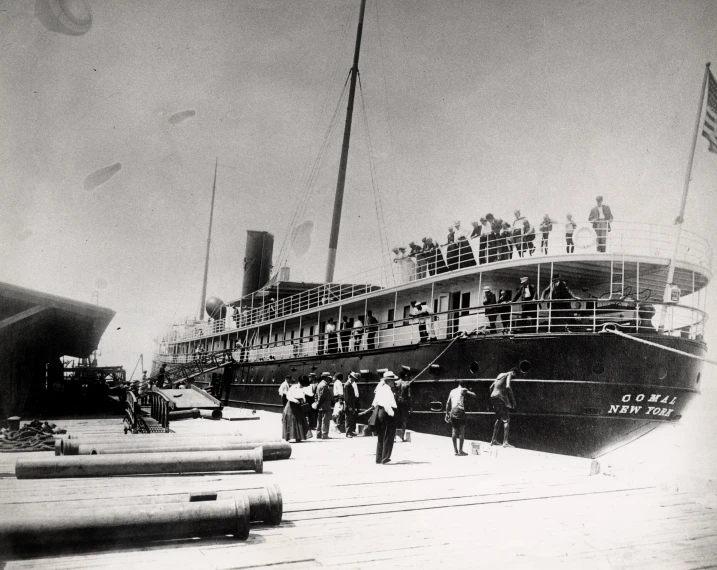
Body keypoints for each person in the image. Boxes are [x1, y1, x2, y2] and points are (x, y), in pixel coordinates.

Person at [372, 371, 399, 464]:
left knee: (381, 436)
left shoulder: (380, 388)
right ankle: (385, 457)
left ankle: (378, 458)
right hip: (387, 413)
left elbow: (374, 402)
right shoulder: (387, 390)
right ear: (388, 381)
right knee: (388, 435)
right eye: (392, 381)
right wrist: (393, 414)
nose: (393, 383)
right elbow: (387, 405)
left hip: (379, 412)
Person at [446, 379, 477, 455]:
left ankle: (455, 451)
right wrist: (468, 391)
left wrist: (447, 413)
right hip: (459, 411)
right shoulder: (463, 389)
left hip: (452, 411)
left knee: (454, 430)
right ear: (464, 385)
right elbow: (474, 395)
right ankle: (460, 451)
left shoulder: (452, 391)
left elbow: (447, 403)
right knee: (461, 431)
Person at [490, 368, 518, 447]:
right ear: (513, 372)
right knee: (506, 420)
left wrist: (493, 400)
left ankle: (493, 440)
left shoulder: (500, 375)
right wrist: (513, 400)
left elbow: (490, 387)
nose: (513, 377)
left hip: (493, 396)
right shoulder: (509, 374)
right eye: (514, 376)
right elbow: (508, 386)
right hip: (499, 397)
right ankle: (505, 442)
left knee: (499, 418)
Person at [393, 372, 412, 441]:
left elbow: (394, 393)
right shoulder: (407, 383)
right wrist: (410, 406)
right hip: (404, 403)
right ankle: (402, 437)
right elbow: (409, 396)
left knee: (395, 419)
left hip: (396, 402)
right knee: (404, 420)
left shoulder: (396, 383)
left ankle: (394, 437)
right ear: (405, 376)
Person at [314, 372, 333, 439]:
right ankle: (325, 434)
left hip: (320, 405)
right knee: (325, 420)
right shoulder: (324, 385)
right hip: (325, 405)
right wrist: (319, 403)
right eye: (328, 378)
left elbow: (316, 395)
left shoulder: (319, 385)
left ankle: (318, 434)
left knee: (319, 420)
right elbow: (322, 397)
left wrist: (317, 403)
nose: (329, 380)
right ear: (325, 378)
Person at [344, 371, 360, 437]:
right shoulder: (348, 385)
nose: (354, 380)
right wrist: (350, 406)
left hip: (349, 405)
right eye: (354, 379)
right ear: (351, 378)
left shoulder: (349, 384)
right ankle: (348, 433)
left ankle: (350, 432)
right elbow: (347, 397)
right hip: (348, 406)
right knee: (348, 419)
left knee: (350, 419)